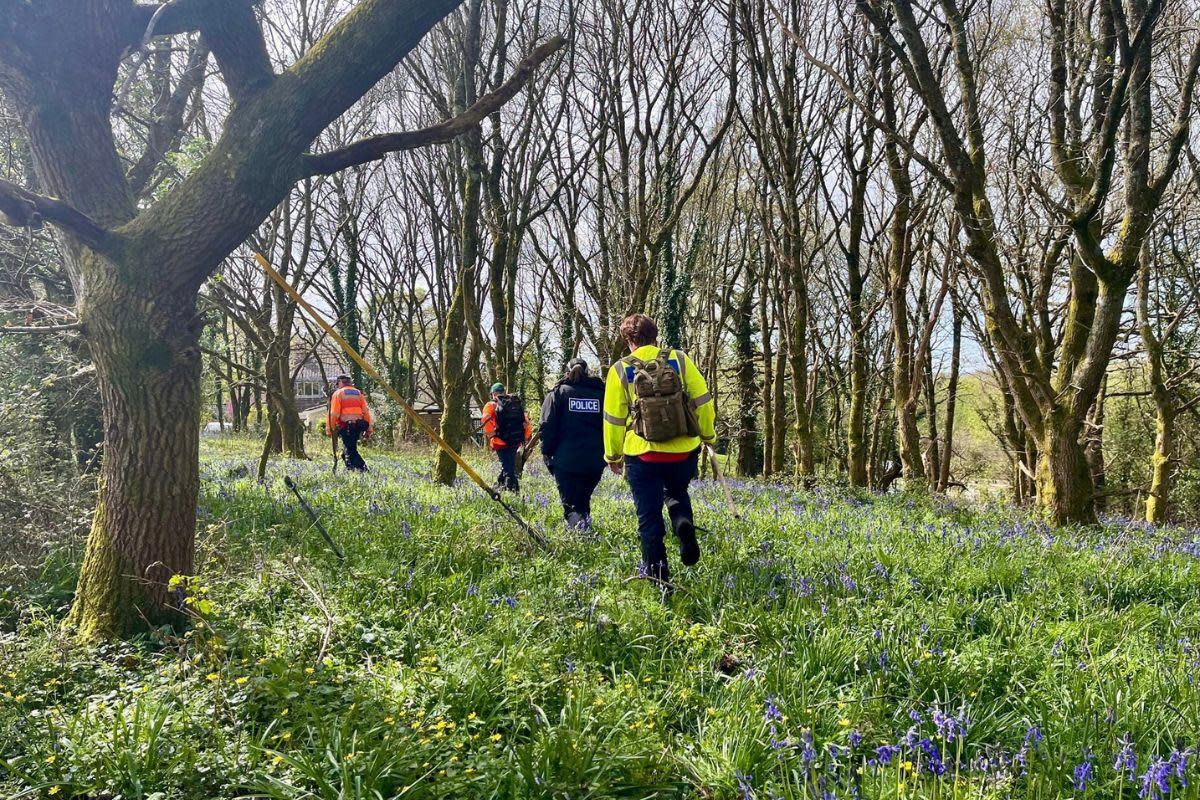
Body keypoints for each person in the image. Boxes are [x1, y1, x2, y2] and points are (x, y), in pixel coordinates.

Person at [603, 314, 716, 587]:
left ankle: (659, 580)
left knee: (649, 517)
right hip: (682, 451)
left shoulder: (620, 369)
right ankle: (683, 525)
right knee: (676, 492)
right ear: (656, 335)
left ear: (629, 340)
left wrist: (613, 455)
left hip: (642, 454)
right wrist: (708, 436)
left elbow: (613, 418)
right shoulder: (678, 359)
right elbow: (702, 399)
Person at [540, 358, 606, 530]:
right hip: (594, 460)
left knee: (570, 505)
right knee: (583, 501)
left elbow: (546, 425)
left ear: (567, 371)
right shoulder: (601, 394)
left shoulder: (558, 393)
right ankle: (586, 534)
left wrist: (546, 453)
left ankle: (578, 541)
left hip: (565, 459)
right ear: (588, 372)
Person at [482, 382, 532, 492]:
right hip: (515, 440)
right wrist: (526, 437)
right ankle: (499, 486)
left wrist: (492, 435)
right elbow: (526, 421)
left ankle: (513, 491)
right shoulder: (514, 402)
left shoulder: (491, 405)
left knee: (508, 468)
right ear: (504, 392)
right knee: (508, 464)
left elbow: (485, 419)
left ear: (493, 394)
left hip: (499, 441)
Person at [327, 374, 373, 472]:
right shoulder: (358, 393)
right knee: (346, 451)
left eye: (337, 384)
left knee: (350, 451)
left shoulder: (338, 393)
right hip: (358, 426)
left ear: (339, 383)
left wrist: (330, 428)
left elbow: (334, 414)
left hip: (346, 426)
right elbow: (365, 412)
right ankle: (351, 470)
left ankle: (364, 470)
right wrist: (369, 429)